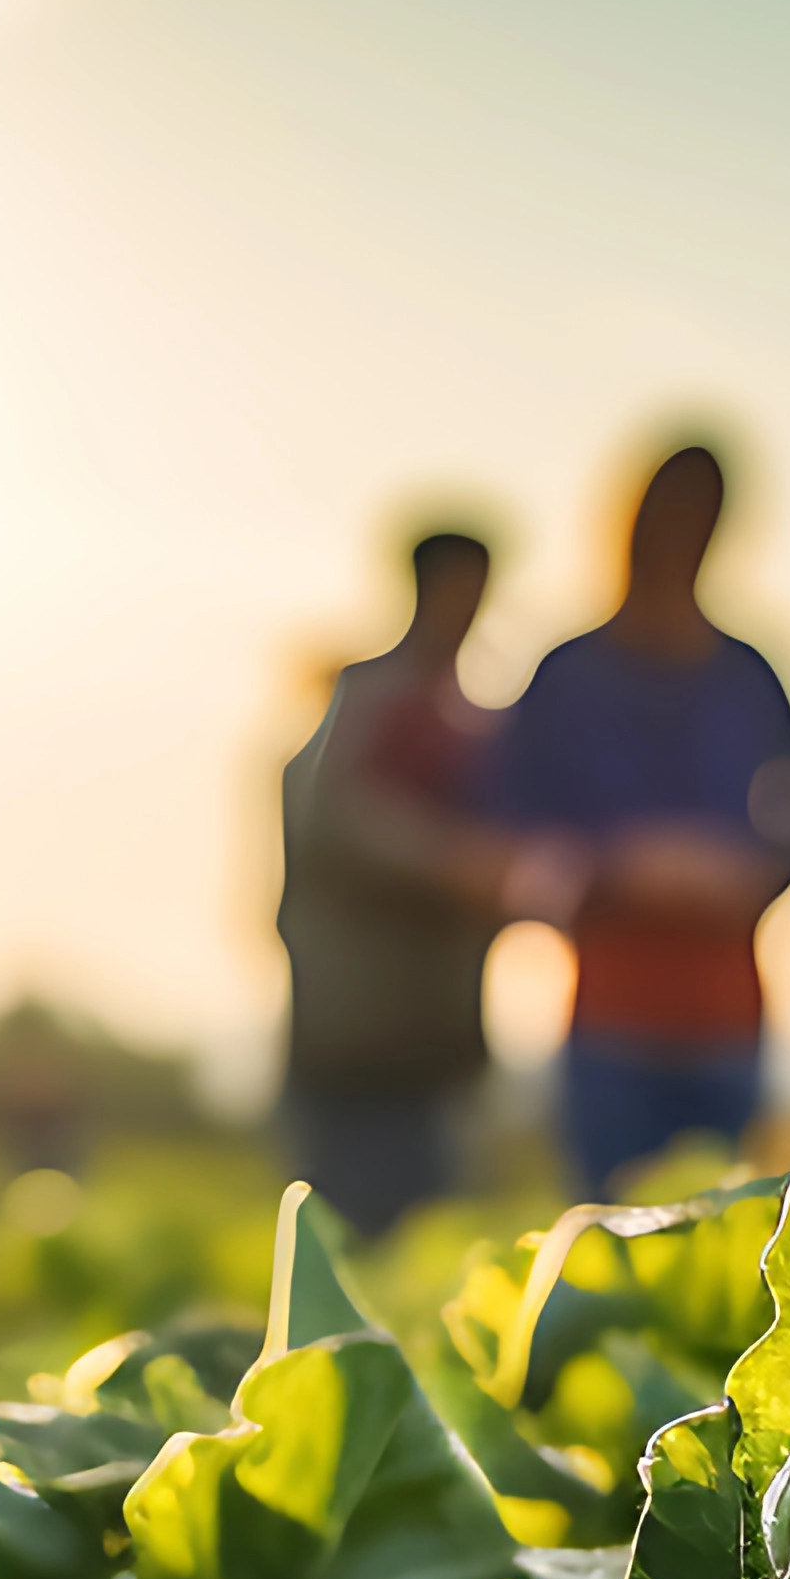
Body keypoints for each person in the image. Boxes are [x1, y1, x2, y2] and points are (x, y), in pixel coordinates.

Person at [482, 443, 790, 1194]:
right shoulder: (567, 676)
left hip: (726, 1013)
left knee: (723, 1232)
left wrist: (745, 878)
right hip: (611, 1011)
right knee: (610, 1238)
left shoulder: (748, 676)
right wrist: (617, 869)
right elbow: (511, 829)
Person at [268, 529, 502, 1236]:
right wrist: (449, 862)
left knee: (429, 1247)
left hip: (436, 1039)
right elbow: (332, 818)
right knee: (346, 1243)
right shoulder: (367, 697)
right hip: (353, 1035)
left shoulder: (473, 718)